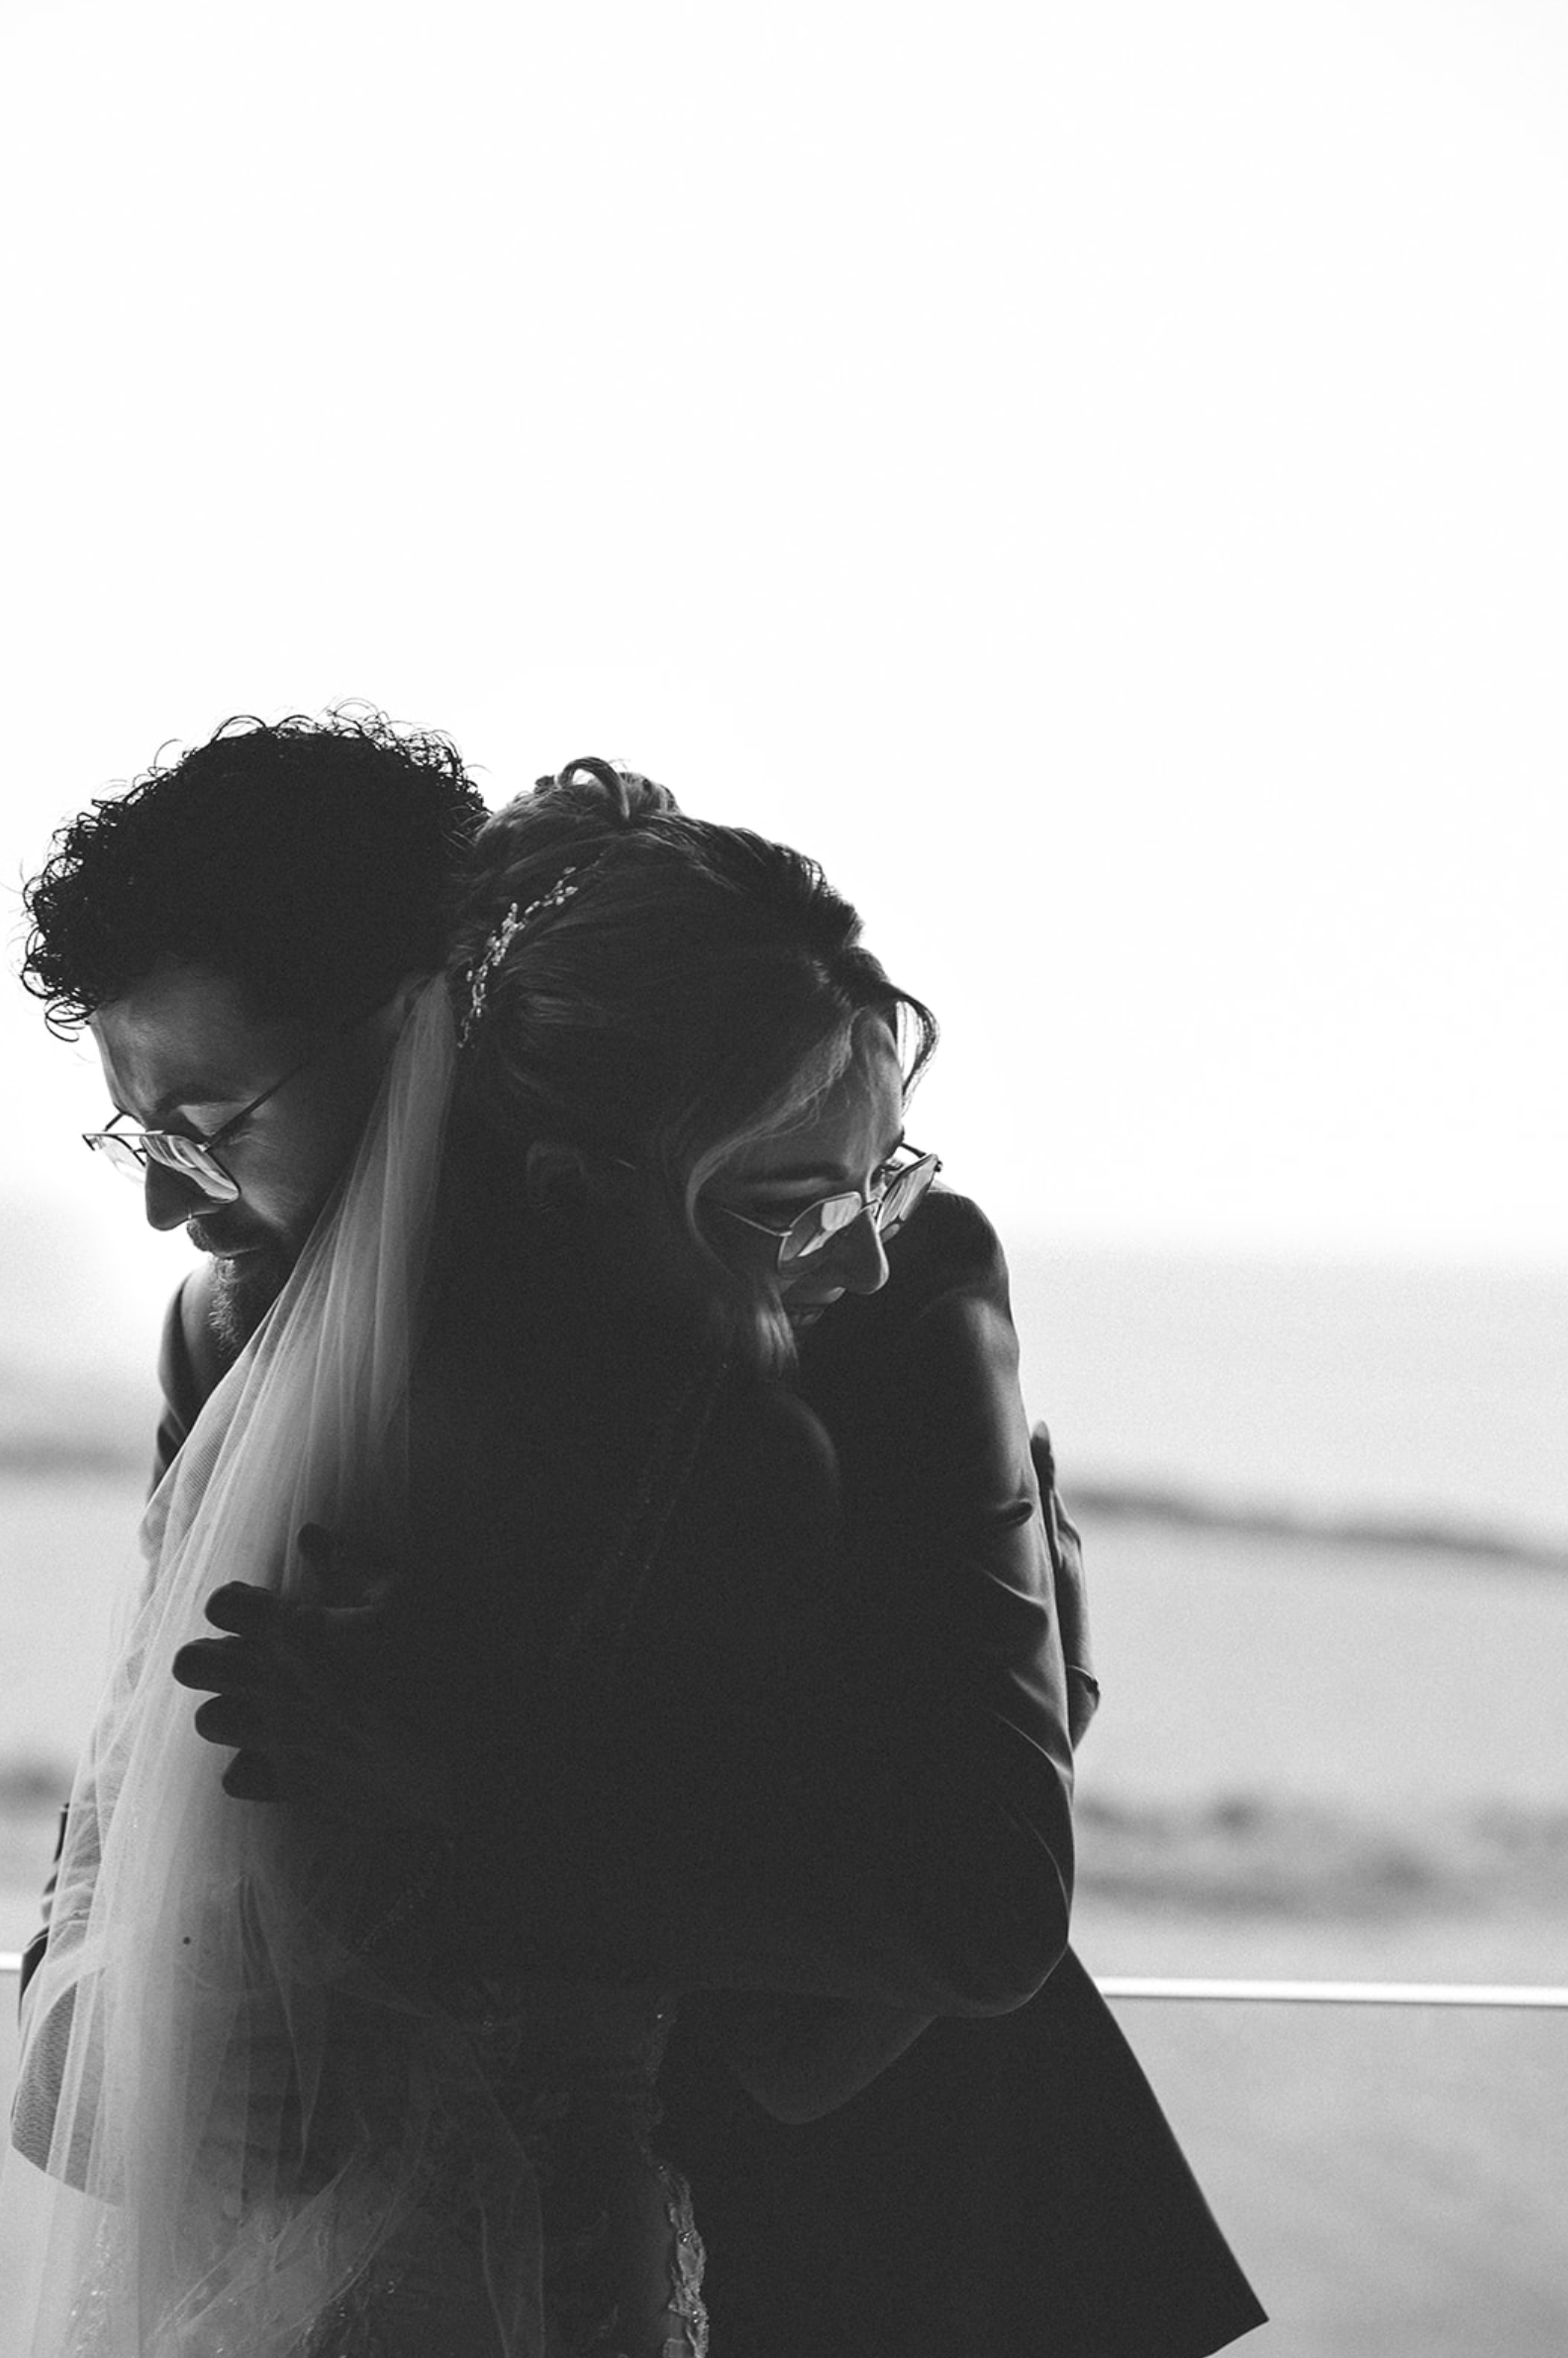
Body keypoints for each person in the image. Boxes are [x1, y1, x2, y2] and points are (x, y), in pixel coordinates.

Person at [13, 724, 1263, 2353]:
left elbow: (978, 1886)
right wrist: (152, 2043)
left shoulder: (857, 1266)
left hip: (881, 2217)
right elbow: (130, 1827)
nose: (176, 1203)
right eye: (144, 1137)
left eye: (212, 1120)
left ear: (418, 1032)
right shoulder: (234, 1331)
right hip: (392, 2244)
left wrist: (475, 1807)